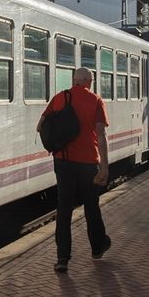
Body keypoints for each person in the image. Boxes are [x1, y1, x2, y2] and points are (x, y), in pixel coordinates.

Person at [36, 67, 111, 273]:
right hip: (88, 162)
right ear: (88, 81)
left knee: (64, 208)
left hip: (63, 161)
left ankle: (62, 258)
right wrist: (104, 165)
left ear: (74, 80)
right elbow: (101, 134)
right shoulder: (95, 100)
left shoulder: (60, 98)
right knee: (91, 206)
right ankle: (97, 247)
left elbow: (40, 125)